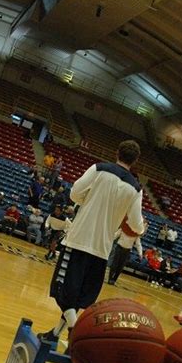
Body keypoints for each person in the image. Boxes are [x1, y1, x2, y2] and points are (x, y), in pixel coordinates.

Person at [39, 140, 145, 345]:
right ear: (136, 161)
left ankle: (76, 332)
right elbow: (136, 225)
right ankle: (55, 334)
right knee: (79, 297)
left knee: (64, 290)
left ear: (117, 153)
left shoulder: (99, 168)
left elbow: (75, 193)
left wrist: (89, 200)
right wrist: (140, 228)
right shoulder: (136, 188)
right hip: (102, 250)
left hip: (79, 240)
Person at [108, 218, 144, 286]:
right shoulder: (123, 228)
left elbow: (138, 244)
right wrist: (109, 240)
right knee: (114, 264)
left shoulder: (136, 233)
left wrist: (140, 254)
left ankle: (114, 279)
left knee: (120, 267)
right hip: (119, 248)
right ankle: (110, 279)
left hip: (127, 251)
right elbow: (115, 236)